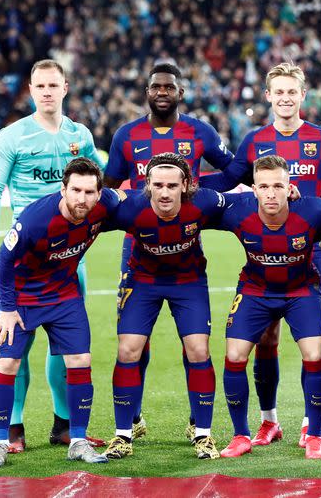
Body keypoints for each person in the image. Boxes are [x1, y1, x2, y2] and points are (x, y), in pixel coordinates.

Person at [202, 62, 321, 448]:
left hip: (312, 254)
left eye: (292, 91)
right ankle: (269, 421)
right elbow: (229, 180)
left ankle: (312, 426)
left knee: (313, 344)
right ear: (268, 96)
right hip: (264, 254)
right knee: (265, 340)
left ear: (302, 95)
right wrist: (185, 183)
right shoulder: (255, 140)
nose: (285, 98)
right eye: (278, 92)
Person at [0, 59, 106, 452]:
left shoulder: (79, 135)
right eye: (39, 86)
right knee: (16, 345)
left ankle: (64, 425)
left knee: (65, 346)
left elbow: (98, 181)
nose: (47, 91)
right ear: (30, 91)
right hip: (22, 258)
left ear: (65, 87)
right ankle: (13, 429)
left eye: (53, 85)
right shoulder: (13, 136)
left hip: (69, 260)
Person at [103, 62, 234, 440]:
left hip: (185, 245)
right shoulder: (127, 135)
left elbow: (233, 170)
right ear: (147, 92)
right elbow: (111, 185)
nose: (162, 92)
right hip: (139, 251)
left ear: (180, 93)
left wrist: (195, 191)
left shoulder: (199, 131)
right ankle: (133, 418)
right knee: (134, 344)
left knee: (193, 343)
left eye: (169, 87)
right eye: (156, 86)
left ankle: (199, 422)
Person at [0, 158, 116, 467]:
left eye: (89, 192)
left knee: (81, 359)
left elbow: (132, 200)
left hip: (63, 296)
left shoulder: (105, 204)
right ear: (63, 189)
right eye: (75, 190)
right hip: (22, 297)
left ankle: (78, 441)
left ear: (99, 193)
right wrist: (7, 309)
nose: (82, 198)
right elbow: (3, 259)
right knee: (8, 361)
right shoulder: (36, 218)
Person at [102, 153, 227, 461]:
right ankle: (122, 435)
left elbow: (244, 209)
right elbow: (85, 219)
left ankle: (203, 435)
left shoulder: (205, 203)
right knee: (128, 349)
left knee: (198, 350)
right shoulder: (129, 208)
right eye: (158, 185)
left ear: (186, 185)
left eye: (172, 185)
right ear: (148, 185)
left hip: (189, 282)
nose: (165, 192)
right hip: (143, 281)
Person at [215, 156, 321, 460]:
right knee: (235, 355)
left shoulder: (314, 210)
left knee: (315, 354)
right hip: (255, 290)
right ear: (253, 189)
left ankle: (315, 435)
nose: (270, 193)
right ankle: (245, 433)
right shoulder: (236, 210)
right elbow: (196, 201)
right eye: (264, 186)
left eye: (277, 186)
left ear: (290, 188)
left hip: (301, 290)